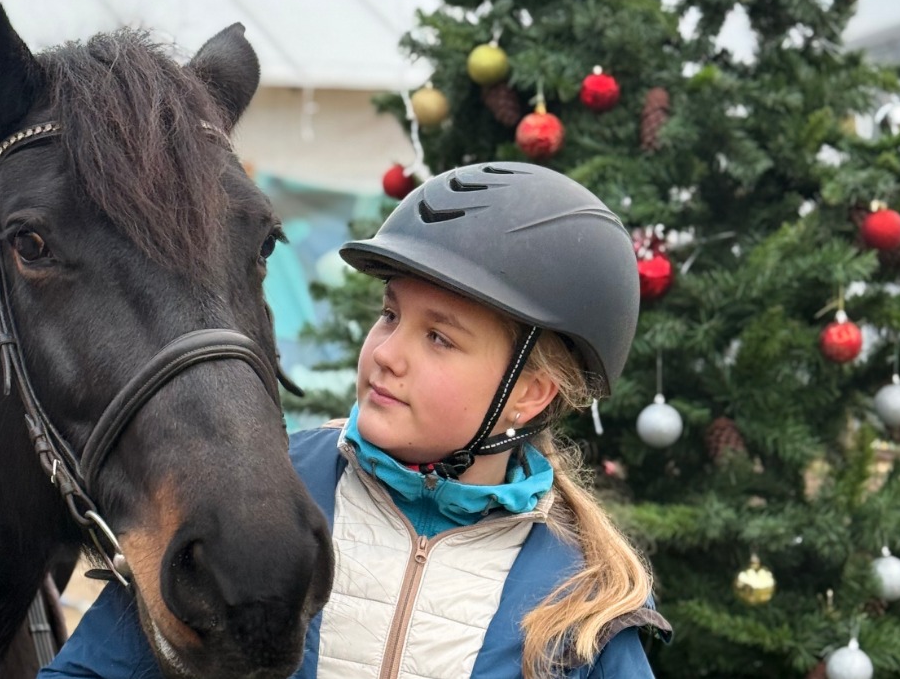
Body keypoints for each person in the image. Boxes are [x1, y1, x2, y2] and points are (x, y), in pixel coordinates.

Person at [40, 162, 672, 678]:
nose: (387, 354)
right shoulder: (261, 502)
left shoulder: (586, 600)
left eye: (439, 339)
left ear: (529, 393)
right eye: (391, 315)